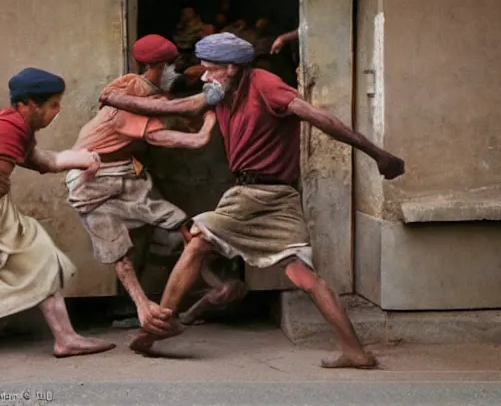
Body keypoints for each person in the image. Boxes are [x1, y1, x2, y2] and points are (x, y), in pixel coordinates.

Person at [102, 33, 405, 368]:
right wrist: (120, 97)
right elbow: (182, 101)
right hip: (275, 196)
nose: (205, 76)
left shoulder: (265, 84)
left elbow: (321, 119)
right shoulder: (223, 88)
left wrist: (377, 154)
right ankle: (355, 351)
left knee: (198, 240)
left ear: (233, 67)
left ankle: (156, 329)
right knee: (303, 275)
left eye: (211, 69)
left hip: (257, 195)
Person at [65, 35, 218, 340]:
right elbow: (157, 135)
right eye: (174, 63)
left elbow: (163, 107)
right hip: (92, 181)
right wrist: (204, 130)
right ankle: (144, 309)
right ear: (159, 65)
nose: (179, 68)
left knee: (181, 225)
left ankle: (212, 286)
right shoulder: (130, 91)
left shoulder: (146, 89)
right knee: (118, 252)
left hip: (128, 176)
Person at [0, 67, 115, 357]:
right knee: (36, 253)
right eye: (52, 105)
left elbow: (45, 160)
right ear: (27, 105)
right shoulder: (9, 128)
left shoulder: (17, 127)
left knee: (40, 255)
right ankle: (65, 338)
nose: (58, 111)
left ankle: (65, 338)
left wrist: (82, 159)